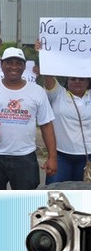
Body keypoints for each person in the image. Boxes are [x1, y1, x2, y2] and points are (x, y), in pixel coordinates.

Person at [0, 47, 57, 190]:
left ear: (24, 65)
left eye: (18, 63)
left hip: (24, 156)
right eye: (9, 62)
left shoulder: (37, 92)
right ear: (2, 64)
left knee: (24, 202)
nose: (14, 66)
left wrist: (52, 157)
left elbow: (46, 125)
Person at [34, 41, 91, 184]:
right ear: (67, 80)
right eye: (73, 78)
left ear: (88, 81)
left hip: (88, 157)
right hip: (60, 157)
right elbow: (47, 75)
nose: (77, 81)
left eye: (81, 79)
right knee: (55, 195)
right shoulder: (58, 93)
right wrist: (42, 52)